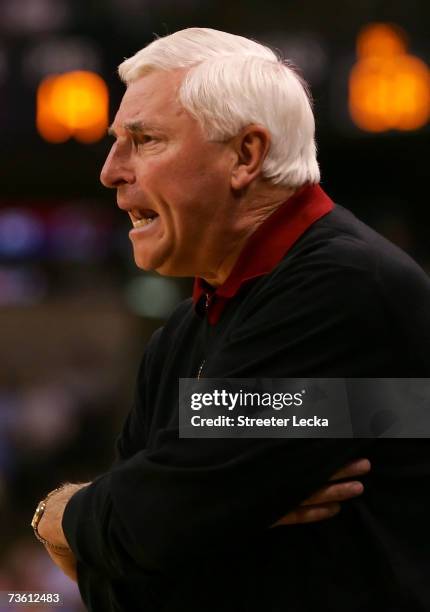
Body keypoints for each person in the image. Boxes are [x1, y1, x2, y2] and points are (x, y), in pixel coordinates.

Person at [32, 28, 430, 611]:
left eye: (144, 140)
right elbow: (119, 577)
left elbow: (152, 524)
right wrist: (156, 519)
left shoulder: (344, 285)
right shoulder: (182, 332)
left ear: (246, 155)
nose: (110, 171)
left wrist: (65, 514)